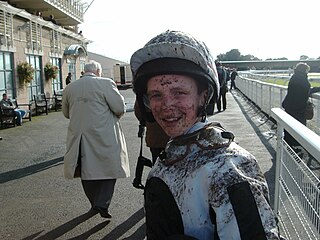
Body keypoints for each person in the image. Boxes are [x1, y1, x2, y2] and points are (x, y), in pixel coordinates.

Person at [130, 30, 281, 239]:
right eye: (156, 95)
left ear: (204, 96)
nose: (166, 105)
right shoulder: (175, 151)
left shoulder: (229, 167)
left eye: (179, 93)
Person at [62, 60, 130, 219]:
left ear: (84, 71)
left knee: (85, 170)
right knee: (111, 168)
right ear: (98, 71)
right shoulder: (106, 83)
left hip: (80, 136)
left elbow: (66, 113)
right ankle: (102, 203)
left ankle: (94, 203)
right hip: (104, 135)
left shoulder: (70, 88)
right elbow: (119, 108)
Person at [282, 62, 320, 150]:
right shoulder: (302, 79)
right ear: (304, 70)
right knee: (299, 128)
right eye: (307, 70)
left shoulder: (295, 77)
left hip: (290, 106)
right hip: (298, 109)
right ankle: (295, 148)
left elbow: (302, 91)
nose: (308, 72)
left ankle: (288, 147)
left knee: (289, 128)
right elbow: (306, 91)